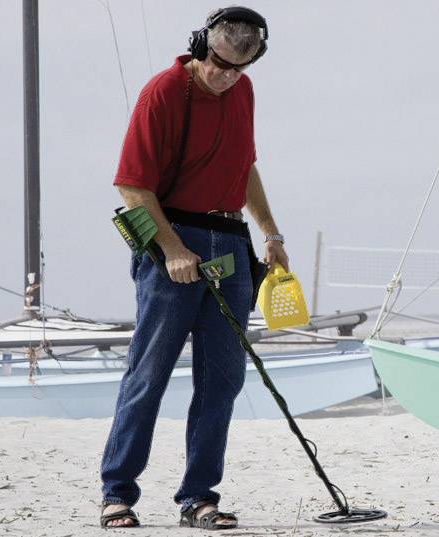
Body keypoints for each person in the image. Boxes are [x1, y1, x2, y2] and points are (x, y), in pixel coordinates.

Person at [99, 6, 288, 529]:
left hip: (232, 240)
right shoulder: (163, 91)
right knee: (150, 372)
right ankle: (117, 493)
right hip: (172, 237)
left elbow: (245, 166)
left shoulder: (242, 92)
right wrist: (173, 249)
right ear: (201, 45)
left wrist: (270, 234)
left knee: (223, 379)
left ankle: (199, 497)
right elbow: (132, 186)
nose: (227, 77)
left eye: (239, 69)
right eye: (220, 64)